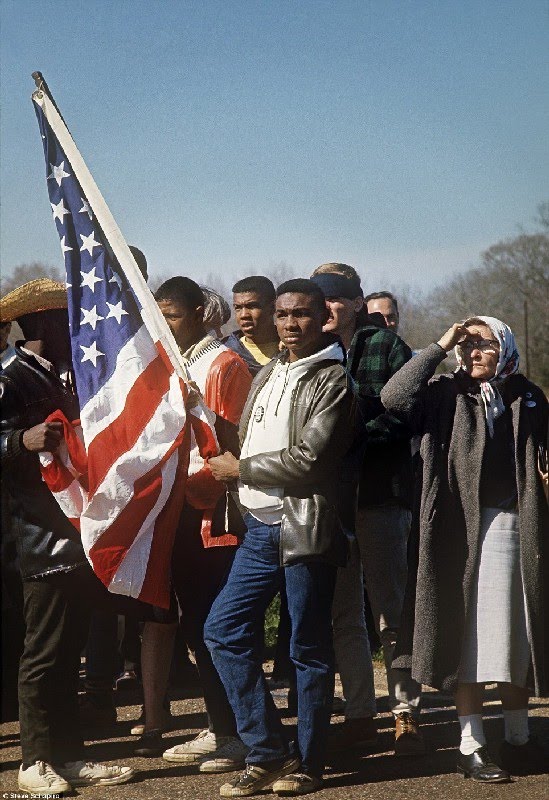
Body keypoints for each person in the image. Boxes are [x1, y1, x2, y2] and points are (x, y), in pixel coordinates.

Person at [381, 316, 548, 782]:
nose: (474, 352)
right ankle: (470, 745)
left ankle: (517, 739)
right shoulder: (443, 393)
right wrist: (440, 344)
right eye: (467, 344)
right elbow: (394, 397)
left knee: (517, 637)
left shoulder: (527, 395)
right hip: (458, 535)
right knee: (468, 639)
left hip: (520, 529)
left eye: (485, 345)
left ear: (505, 348)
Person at [204, 278, 354, 797]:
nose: (291, 323)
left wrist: (241, 469)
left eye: (302, 314)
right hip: (259, 529)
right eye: (284, 314)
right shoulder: (269, 371)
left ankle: (309, 763)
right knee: (222, 631)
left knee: (307, 648)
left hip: (305, 527)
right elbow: (250, 437)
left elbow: (310, 460)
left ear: (324, 318)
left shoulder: (333, 379)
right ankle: (268, 751)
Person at [0, 279, 135, 793]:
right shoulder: (9, 377)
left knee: (67, 651)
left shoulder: (63, 373)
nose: (78, 325)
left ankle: (70, 755)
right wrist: (19, 440)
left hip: (77, 534)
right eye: (66, 317)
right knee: (43, 654)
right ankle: (34, 761)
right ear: (40, 322)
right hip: (38, 539)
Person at [312, 266, 423, 755]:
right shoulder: (312, 353)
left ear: (356, 303)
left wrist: (345, 440)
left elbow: (407, 414)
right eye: (319, 301)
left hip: (381, 494)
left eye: (334, 300)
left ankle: (406, 713)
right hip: (331, 502)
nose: (325, 309)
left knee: (390, 611)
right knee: (342, 613)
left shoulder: (386, 346)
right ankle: (360, 713)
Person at [147, 277, 252, 769]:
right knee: (196, 624)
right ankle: (220, 725)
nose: (164, 324)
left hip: (214, 514)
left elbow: (229, 442)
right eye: (160, 315)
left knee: (218, 625)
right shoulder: (173, 362)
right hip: (180, 511)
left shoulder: (224, 364)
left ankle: (238, 733)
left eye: (171, 315)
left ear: (197, 315)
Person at [223, 276, 280, 376]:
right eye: (238, 308)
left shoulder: (294, 350)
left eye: (252, 306)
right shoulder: (224, 353)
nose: (244, 315)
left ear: (272, 308)